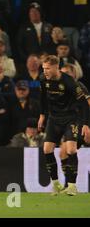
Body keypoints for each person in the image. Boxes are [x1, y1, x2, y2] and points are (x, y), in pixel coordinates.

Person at [38, 56, 90, 196]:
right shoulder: (43, 79)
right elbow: (43, 97)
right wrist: (42, 115)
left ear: (56, 67)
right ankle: (56, 184)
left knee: (71, 150)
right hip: (54, 119)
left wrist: (86, 124)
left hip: (70, 119)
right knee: (47, 149)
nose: (45, 71)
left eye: (48, 68)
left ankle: (72, 186)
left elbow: (85, 104)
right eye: (44, 68)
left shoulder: (70, 82)